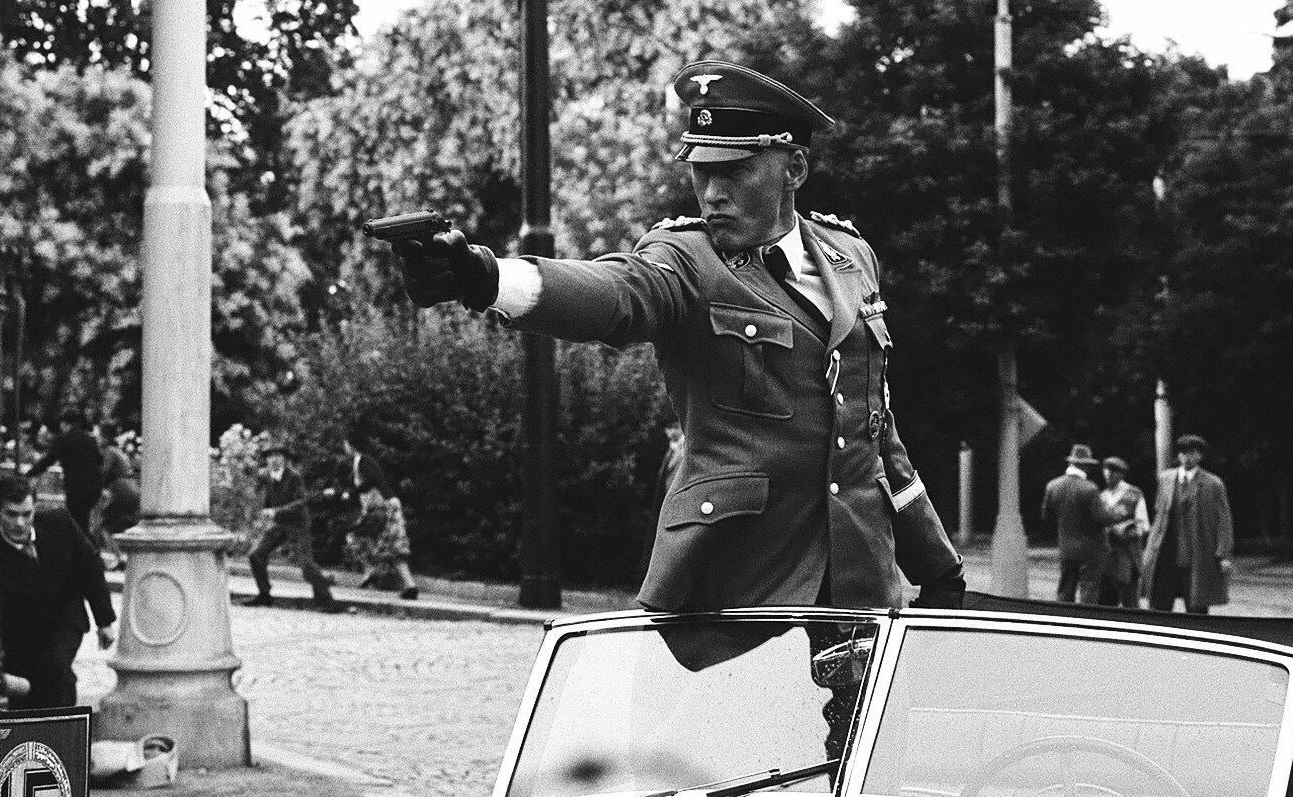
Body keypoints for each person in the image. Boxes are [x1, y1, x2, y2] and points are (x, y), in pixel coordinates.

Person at [388, 60, 964, 612]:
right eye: (701, 171)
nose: (712, 193)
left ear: (794, 169)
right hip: (733, 597)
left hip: (862, 596)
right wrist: (486, 278)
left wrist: (936, 563)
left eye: (734, 171)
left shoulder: (851, 257)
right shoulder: (686, 260)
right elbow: (617, 295)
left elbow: (875, 437)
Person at [0, 473, 116, 709]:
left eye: (26, 514)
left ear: (35, 508)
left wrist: (105, 620)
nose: (19, 523)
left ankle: (66, 735)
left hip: (65, 616)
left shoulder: (59, 522)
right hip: (21, 633)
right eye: (11, 514)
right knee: (26, 693)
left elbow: (89, 565)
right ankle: (28, 741)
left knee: (56, 668)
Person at [1141, 434, 1234, 615]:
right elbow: (1159, 516)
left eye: (1191, 453)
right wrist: (1150, 548)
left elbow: (1224, 521)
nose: (1186, 458)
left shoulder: (1213, 484)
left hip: (1197, 555)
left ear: (1200, 456)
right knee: (1159, 604)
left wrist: (1223, 554)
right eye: (1183, 453)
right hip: (1166, 553)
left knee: (1197, 606)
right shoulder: (1166, 479)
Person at [327, 429, 419, 600]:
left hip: (384, 508)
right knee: (389, 544)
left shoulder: (363, 461)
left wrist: (352, 493)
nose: (344, 448)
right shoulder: (360, 463)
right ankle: (400, 582)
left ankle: (374, 571)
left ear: (351, 445)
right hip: (385, 506)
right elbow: (358, 487)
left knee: (358, 536)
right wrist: (338, 492)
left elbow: (373, 480)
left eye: (346, 444)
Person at [245, 444, 339, 611]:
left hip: (298, 524)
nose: (273, 459)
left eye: (277, 456)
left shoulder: (294, 477)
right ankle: (264, 595)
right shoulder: (266, 476)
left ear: (284, 459)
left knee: (306, 565)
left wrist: (276, 511)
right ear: (266, 460)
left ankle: (326, 600)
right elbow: (265, 499)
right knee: (256, 555)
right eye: (270, 456)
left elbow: (301, 501)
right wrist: (260, 512)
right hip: (280, 524)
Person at [1041, 444, 1118, 604]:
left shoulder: (1052, 486)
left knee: (1065, 592)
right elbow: (1102, 518)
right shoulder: (1090, 489)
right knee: (1088, 593)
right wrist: (1119, 513)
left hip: (1066, 547)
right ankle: (1085, 624)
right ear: (1085, 466)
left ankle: (1062, 623)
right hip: (1092, 550)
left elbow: (1046, 517)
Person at [27, 408, 104, 540]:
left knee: (76, 522)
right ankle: (88, 548)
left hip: (76, 487)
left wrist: (30, 473)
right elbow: (99, 460)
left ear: (64, 423)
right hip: (93, 488)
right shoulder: (90, 440)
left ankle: (86, 551)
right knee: (82, 520)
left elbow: (48, 460)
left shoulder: (64, 439)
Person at [1096, 455, 1149, 608]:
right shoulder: (1101, 496)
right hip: (1106, 554)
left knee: (1129, 600)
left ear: (1121, 474)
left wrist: (1126, 530)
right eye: (1106, 471)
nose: (1108, 475)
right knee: (1105, 600)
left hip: (1127, 554)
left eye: (1113, 471)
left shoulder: (1134, 494)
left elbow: (1144, 525)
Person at [641, 422, 686, 579]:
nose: (668, 433)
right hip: (665, 504)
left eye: (671, 429)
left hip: (678, 505)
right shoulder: (672, 449)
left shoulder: (684, 451)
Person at [96, 421, 139, 565]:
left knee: (104, 526)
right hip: (132, 487)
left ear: (105, 437)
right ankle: (127, 558)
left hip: (121, 489)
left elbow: (104, 472)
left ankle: (119, 557)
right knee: (124, 525)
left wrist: (96, 485)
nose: (97, 439)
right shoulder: (119, 451)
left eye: (99, 435)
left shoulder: (109, 451)